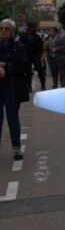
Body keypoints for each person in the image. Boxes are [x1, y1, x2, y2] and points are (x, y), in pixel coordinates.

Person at [0, 19, 29, 160]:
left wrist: (6, 67)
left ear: (12, 31)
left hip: (11, 88)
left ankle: (17, 149)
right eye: (1, 28)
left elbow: (23, 67)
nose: (3, 31)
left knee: (13, 120)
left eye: (6, 28)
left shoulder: (18, 46)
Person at [20, 21, 46, 92]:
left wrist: (39, 54)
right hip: (27, 57)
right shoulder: (23, 37)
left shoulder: (37, 36)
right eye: (30, 28)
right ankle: (29, 87)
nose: (31, 29)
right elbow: (20, 46)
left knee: (40, 70)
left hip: (35, 56)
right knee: (28, 72)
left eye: (33, 28)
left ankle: (43, 85)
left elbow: (41, 46)